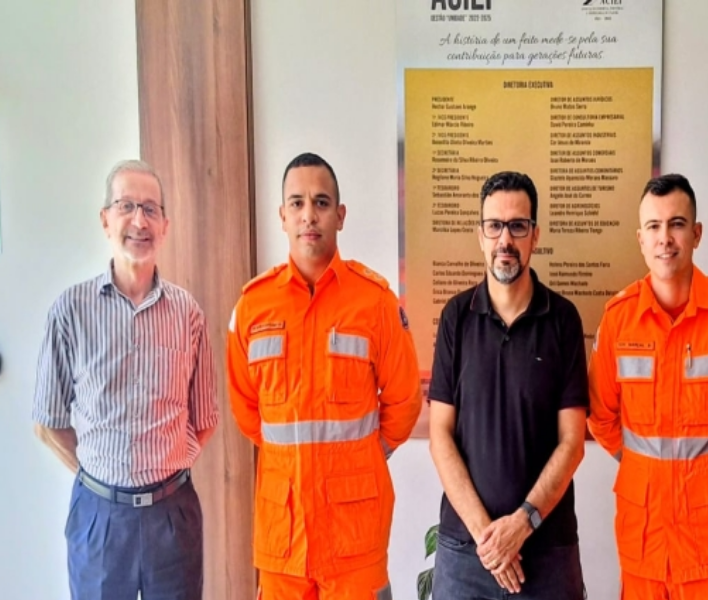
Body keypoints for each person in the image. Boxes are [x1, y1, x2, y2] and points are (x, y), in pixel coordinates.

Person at [226, 152, 422, 600]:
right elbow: (246, 409)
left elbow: (404, 401)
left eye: (321, 202)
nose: (308, 215)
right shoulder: (253, 307)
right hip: (283, 533)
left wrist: (363, 457)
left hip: (354, 535)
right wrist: (295, 460)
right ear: (282, 216)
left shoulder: (375, 303)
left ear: (340, 215)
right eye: (297, 203)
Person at [32, 159, 219, 600]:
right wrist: (103, 477)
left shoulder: (188, 314)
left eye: (151, 209)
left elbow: (205, 419)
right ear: (105, 220)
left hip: (172, 516)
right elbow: (47, 423)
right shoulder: (70, 311)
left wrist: (165, 466)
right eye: (127, 206)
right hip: (99, 519)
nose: (140, 221)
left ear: (165, 226)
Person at [588, 173, 708, 600]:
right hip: (643, 544)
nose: (665, 238)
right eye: (654, 226)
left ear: (697, 234)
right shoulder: (618, 320)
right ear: (640, 239)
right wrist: (645, 470)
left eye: (676, 224)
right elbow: (600, 417)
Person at [428, 171, 588, 599]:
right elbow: (440, 435)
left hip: (548, 553)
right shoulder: (455, 318)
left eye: (517, 226)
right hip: (465, 554)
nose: (505, 240)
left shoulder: (563, 320)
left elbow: (572, 441)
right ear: (480, 235)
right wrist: (489, 539)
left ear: (535, 235)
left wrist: (522, 524)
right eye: (494, 226)